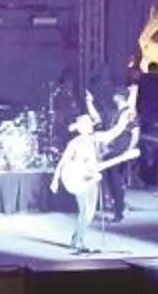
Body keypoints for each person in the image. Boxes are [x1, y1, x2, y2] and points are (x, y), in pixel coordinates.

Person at [52, 89, 139, 255]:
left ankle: (77, 238)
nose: (89, 126)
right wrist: (55, 180)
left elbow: (115, 132)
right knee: (84, 211)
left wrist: (124, 117)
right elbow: (63, 161)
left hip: (91, 178)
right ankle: (79, 241)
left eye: (89, 124)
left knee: (90, 213)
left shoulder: (96, 138)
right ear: (80, 128)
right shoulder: (75, 143)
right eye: (85, 124)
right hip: (78, 178)